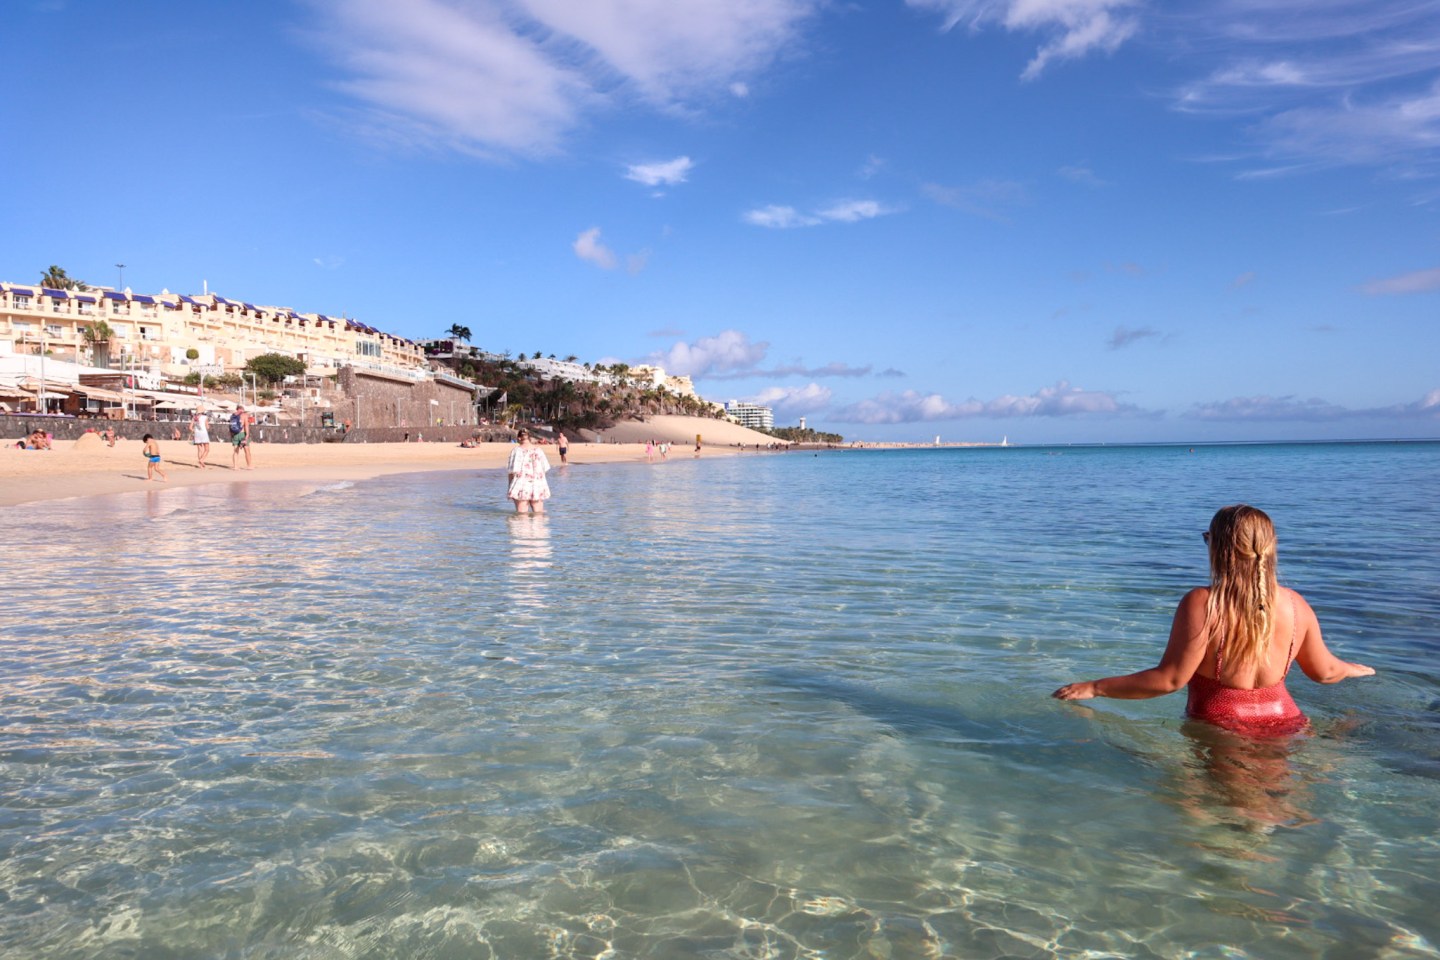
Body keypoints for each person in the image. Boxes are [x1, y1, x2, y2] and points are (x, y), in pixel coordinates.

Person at [1053, 504, 1374, 736]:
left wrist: (1095, 687)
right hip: (1288, 722)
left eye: (1208, 539)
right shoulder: (1295, 604)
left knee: (1221, 821)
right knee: (1274, 814)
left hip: (1224, 730)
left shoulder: (1203, 604)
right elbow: (1325, 672)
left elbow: (1170, 680)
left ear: (1219, 549)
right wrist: (1353, 669)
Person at [506, 428, 551, 514]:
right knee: (539, 515)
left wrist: (510, 487)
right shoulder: (539, 450)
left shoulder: (516, 451)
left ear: (519, 438)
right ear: (529, 437)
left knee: (522, 516)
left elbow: (511, 471)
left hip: (521, 485)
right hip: (537, 485)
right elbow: (544, 469)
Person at [229, 405, 253, 470]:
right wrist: (247, 435)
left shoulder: (232, 415)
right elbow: (246, 426)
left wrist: (231, 435)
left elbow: (230, 426)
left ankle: (235, 466)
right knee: (247, 450)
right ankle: (249, 465)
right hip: (242, 434)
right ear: (242, 409)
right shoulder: (244, 415)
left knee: (235, 451)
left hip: (235, 434)